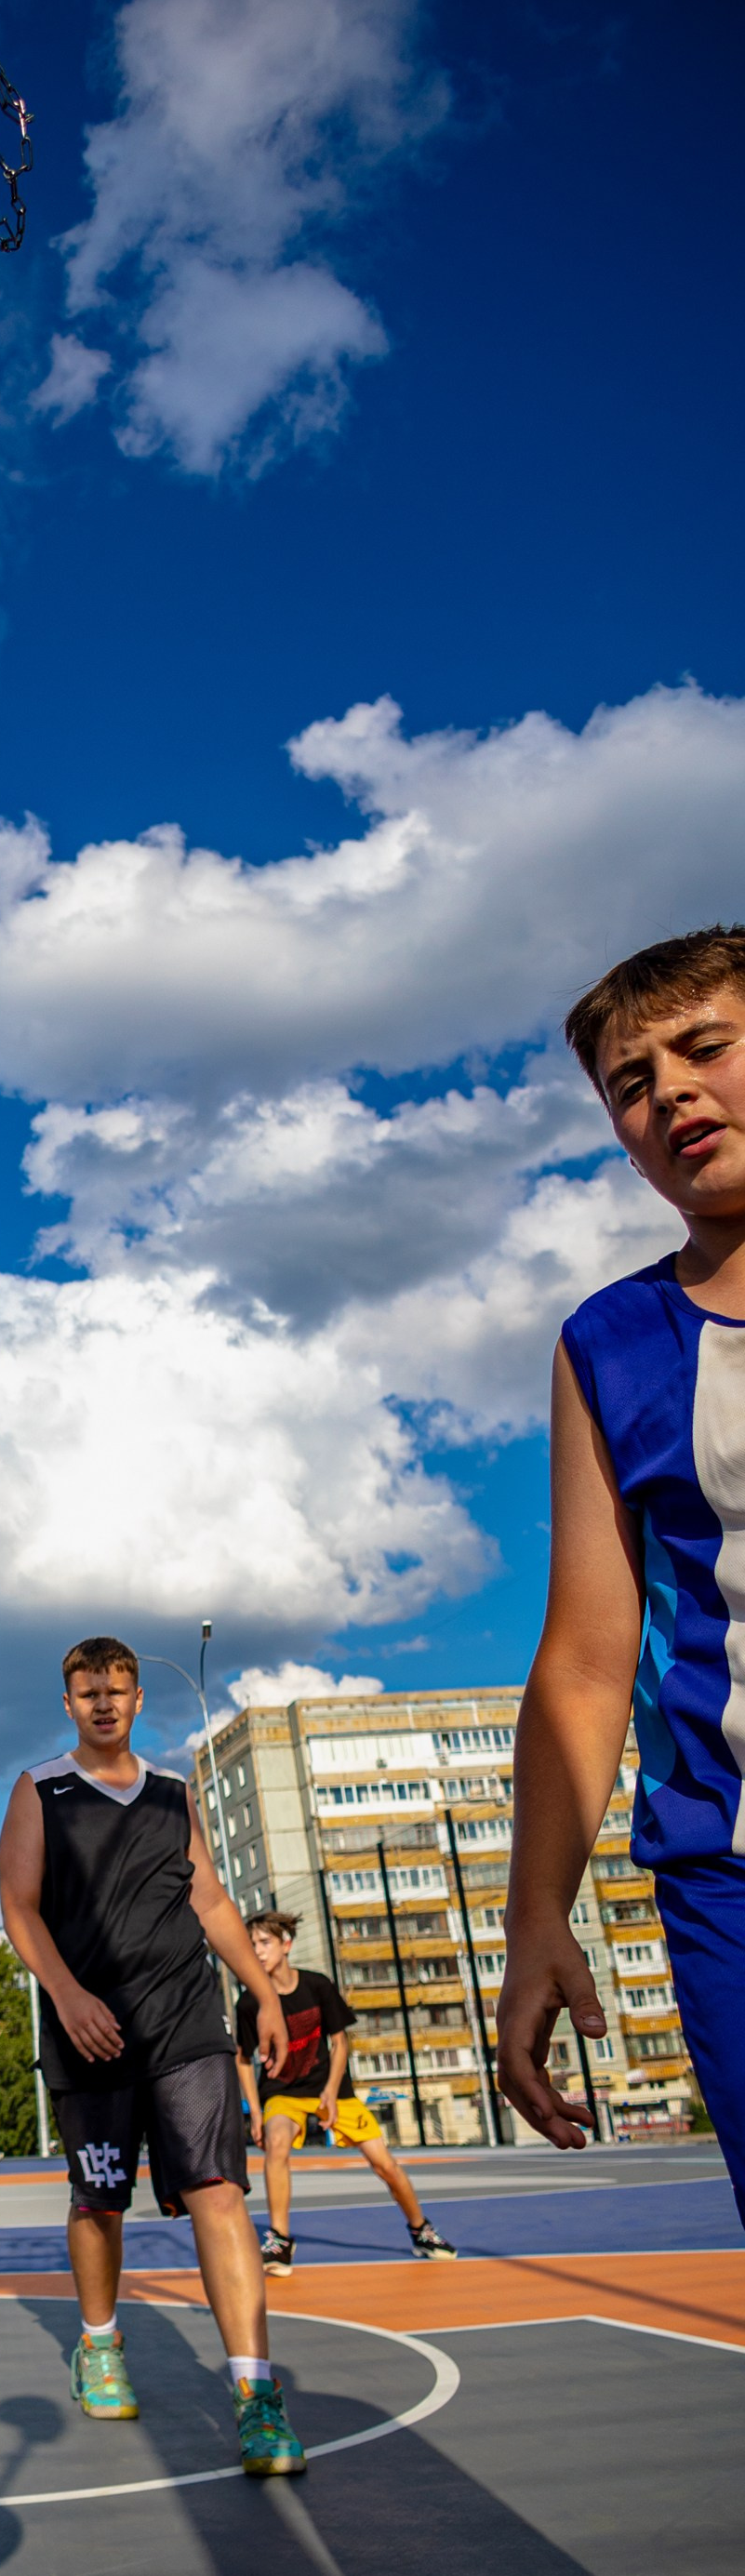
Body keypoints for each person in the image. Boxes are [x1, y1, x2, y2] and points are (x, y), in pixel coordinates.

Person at [499, 927, 745, 2223]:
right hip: (730, 1876)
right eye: (632, 1085)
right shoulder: (609, 1342)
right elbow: (591, 1663)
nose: (672, 1095)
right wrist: (537, 1912)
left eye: (706, 1048)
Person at [0, 1636, 307, 2476]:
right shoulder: (42, 1790)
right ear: (69, 1704)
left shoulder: (174, 1795)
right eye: (88, 1691)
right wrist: (65, 1995)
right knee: (100, 2201)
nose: (104, 1702)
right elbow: (18, 1908)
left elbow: (208, 1897)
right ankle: (99, 2344)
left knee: (219, 2193)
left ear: (139, 1702)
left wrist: (264, 1993)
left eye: (118, 1690)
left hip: (185, 2024)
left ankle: (255, 2396)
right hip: (90, 2027)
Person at [234, 1912, 456, 2269]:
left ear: (286, 1944)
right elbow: (243, 2060)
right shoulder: (249, 2003)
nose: (257, 1951)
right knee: (276, 2146)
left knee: (385, 2165)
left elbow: (340, 2043)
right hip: (282, 2092)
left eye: (265, 1943)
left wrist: (331, 2092)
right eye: (252, 1945)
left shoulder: (317, 1986)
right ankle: (279, 2241)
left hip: (333, 2090)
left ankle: (421, 2229)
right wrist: (257, 2113)